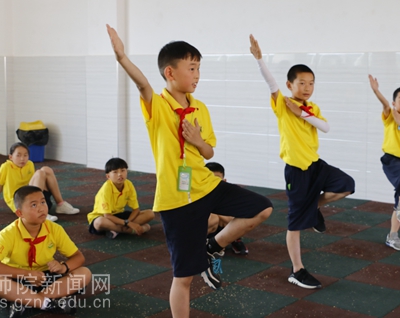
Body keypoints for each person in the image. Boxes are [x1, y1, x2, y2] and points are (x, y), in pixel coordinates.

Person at [106, 24, 273, 318]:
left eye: (199, 69)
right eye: (192, 68)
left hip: (206, 185)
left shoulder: (201, 109)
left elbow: (209, 152)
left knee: (262, 208)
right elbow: (143, 85)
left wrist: (197, 141)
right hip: (176, 200)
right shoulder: (158, 106)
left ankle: (213, 246)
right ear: (170, 72)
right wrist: (122, 57)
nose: (197, 75)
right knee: (183, 277)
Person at [249, 35, 355, 289]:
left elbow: (325, 127)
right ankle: (297, 270)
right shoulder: (283, 104)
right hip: (296, 171)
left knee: (346, 185)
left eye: (311, 83)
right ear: (290, 84)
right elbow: (271, 83)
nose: (307, 88)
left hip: (316, 165)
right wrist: (260, 59)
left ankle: (313, 207)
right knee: (295, 223)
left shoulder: (312, 108)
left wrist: (302, 114)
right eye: (302, 83)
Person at [0, 186, 91, 317]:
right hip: (17, 279)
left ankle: (27, 302)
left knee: (84, 273)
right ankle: (48, 303)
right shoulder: (8, 234)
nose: (41, 208)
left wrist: (63, 267)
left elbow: (78, 257)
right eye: (33, 205)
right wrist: (26, 274)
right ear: (20, 213)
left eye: (43, 202)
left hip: (46, 278)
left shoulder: (55, 229)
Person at [368, 75, 400, 251]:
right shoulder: (390, 116)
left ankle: (393, 236)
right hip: (391, 160)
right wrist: (376, 91)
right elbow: (384, 105)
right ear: (394, 103)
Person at [0, 142, 79, 222]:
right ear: (11, 157)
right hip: (20, 202)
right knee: (40, 173)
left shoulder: (30, 164)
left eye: (25, 155)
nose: (22, 159)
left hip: (33, 197)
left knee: (46, 169)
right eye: (18, 155)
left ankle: (60, 204)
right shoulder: (6, 167)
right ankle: (39, 211)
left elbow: (35, 184)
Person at [88, 157, 155, 238]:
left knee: (150, 213)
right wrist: (128, 224)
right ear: (108, 176)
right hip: (104, 217)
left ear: (127, 171)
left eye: (123, 170)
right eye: (115, 172)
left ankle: (114, 230)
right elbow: (107, 215)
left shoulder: (129, 184)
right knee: (99, 222)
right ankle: (129, 230)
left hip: (120, 215)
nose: (120, 174)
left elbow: (136, 209)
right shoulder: (106, 188)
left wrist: (128, 221)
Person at [205, 162, 248, 255]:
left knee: (241, 219)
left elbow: (238, 219)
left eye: (216, 179)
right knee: (213, 219)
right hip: (207, 229)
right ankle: (202, 244)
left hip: (223, 228)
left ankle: (235, 240)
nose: (213, 182)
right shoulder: (196, 193)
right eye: (209, 179)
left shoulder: (230, 193)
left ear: (224, 181)